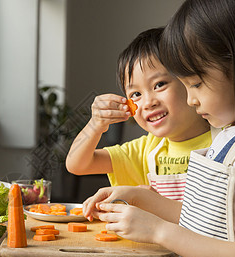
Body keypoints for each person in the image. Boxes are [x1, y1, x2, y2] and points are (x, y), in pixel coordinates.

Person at [83, 0, 235, 257]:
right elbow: (211, 224)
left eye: (197, 83)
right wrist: (139, 197)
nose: (191, 100)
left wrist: (158, 231)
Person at [65, 27, 211, 201]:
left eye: (159, 84)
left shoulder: (226, 140)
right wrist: (95, 125)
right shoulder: (146, 150)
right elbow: (76, 164)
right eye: (136, 94)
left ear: (190, 80)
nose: (149, 102)